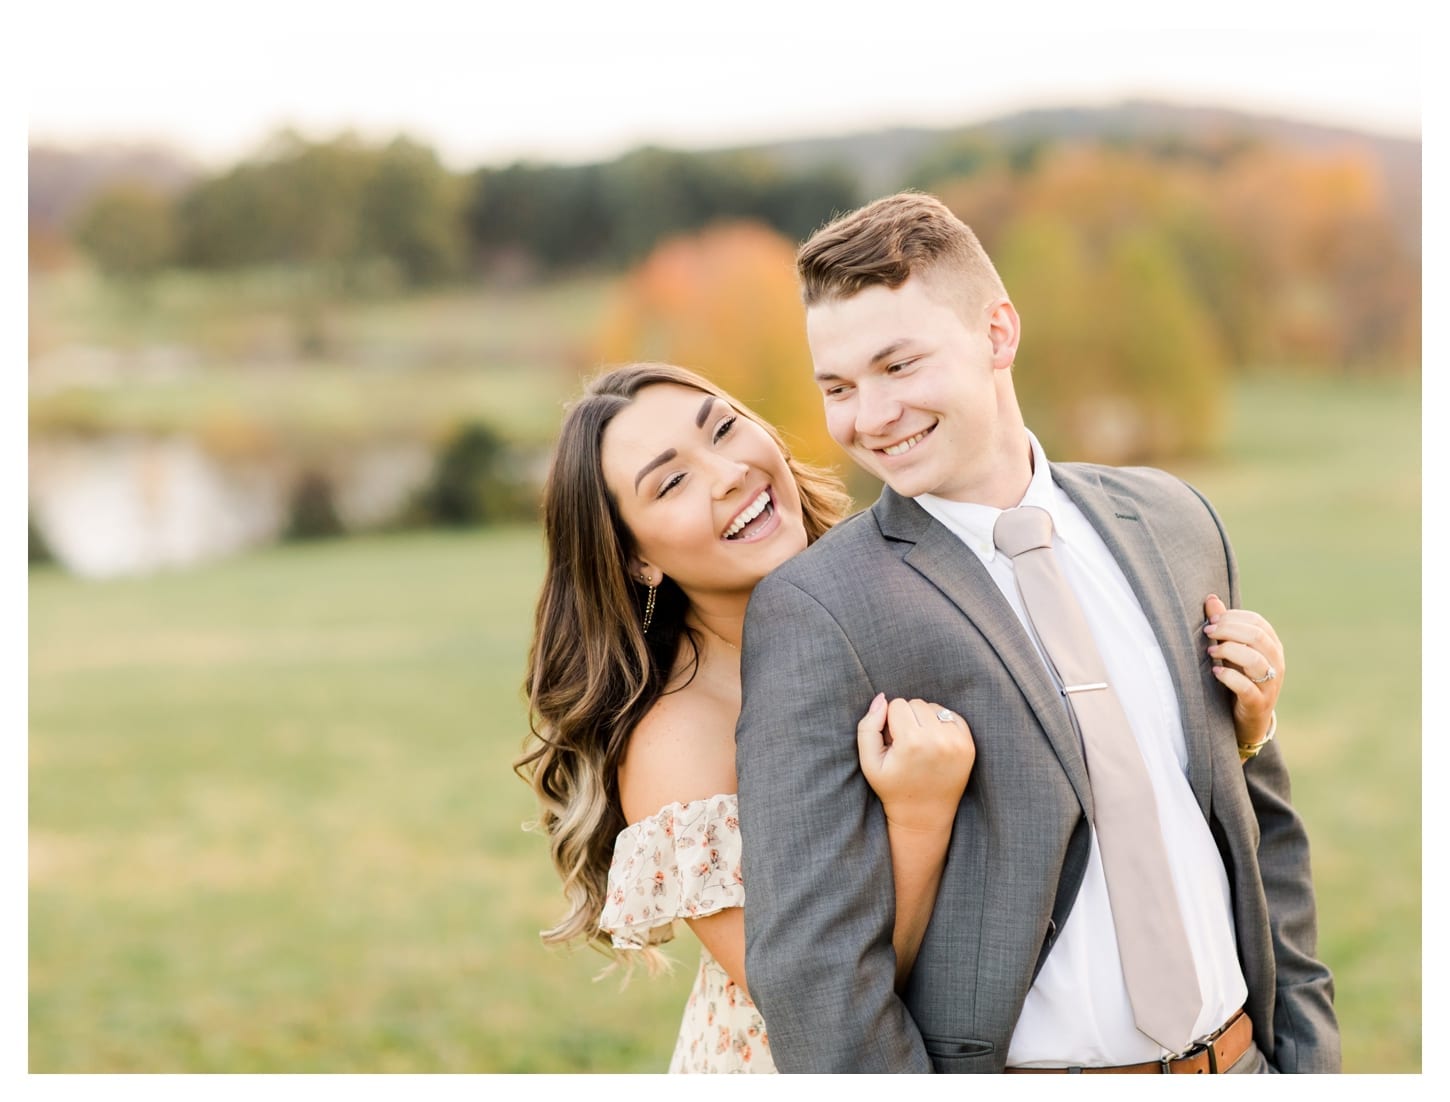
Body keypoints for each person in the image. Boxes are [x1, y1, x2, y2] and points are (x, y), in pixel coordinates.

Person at [735, 192, 1340, 1073]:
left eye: (899, 366)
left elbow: (1261, 823)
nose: (869, 416)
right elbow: (814, 973)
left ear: (997, 334)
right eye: (838, 387)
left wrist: (1309, 1066)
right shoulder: (819, 610)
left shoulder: (1175, 523)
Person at [515, 362, 976, 1073]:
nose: (728, 473)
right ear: (637, 560)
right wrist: (920, 816)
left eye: (725, 428)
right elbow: (825, 1006)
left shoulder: (896, 582)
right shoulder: (679, 743)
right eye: (671, 482)